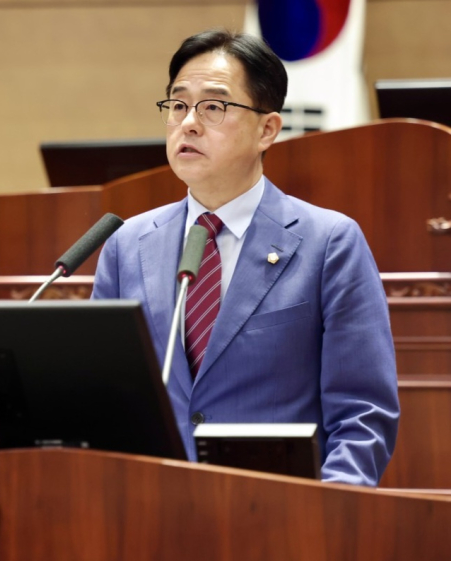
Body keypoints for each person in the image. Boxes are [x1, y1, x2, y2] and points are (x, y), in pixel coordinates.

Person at [92, 29, 399, 486]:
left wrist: (326, 515)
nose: (188, 123)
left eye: (213, 107)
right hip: (154, 509)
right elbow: (102, 403)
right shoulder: (127, 244)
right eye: (178, 105)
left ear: (267, 129)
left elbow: (363, 415)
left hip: (280, 513)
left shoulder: (329, 242)